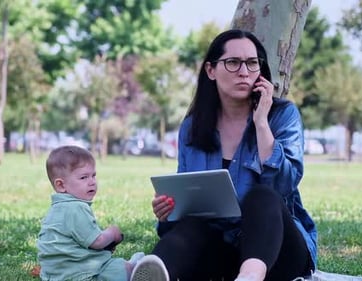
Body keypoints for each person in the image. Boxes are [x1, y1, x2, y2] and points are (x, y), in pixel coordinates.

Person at [150, 29, 318, 281]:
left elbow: (284, 185)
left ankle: (250, 276)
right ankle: (154, 272)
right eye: (233, 62)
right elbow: (189, 198)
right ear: (210, 70)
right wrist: (169, 210)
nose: (244, 71)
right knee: (191, 226)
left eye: (252, 63)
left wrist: (261, 122)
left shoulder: (283, 116)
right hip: (222, 252)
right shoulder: (193, 127)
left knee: (262, 196)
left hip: (278, 250)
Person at [37, 145, 168, 281]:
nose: (92, 182)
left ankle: (134, 264)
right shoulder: (76, 208)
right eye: (83, 177)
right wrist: (112, 234)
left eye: (93, 176)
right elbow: (97, 241)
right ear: (61, 185)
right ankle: (135, 268)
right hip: (81, 273)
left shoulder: (55, 210)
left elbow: (76, 242)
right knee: (116, 268)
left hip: (55, 275)